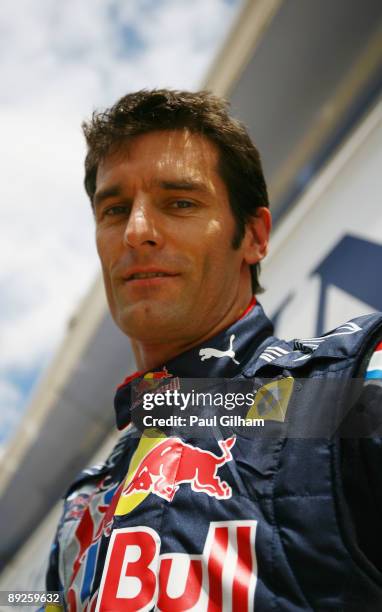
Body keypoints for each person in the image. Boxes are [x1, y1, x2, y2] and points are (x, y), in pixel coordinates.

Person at [46, 89, 382, 611]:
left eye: (180, 202)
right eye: (113, 209)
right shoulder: (82, 504)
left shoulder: (346, 387)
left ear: (253, 235)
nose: (136, 232)